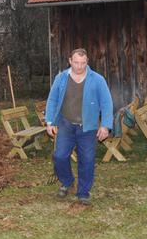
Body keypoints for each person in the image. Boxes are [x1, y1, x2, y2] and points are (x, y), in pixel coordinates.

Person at [45, 48, 113, 206]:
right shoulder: (61, 78)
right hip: (66, 124)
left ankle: (83, 192)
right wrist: (49, 122)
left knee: (87, 160)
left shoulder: (97, 79)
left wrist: (105, 125)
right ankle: (68, 182)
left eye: (83, 63)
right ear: (70, 61)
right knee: (60, 156)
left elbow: (106, 103)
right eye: (76, 62)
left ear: (87, 61)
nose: (79, 66)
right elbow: (52, 100)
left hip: (88, 127)